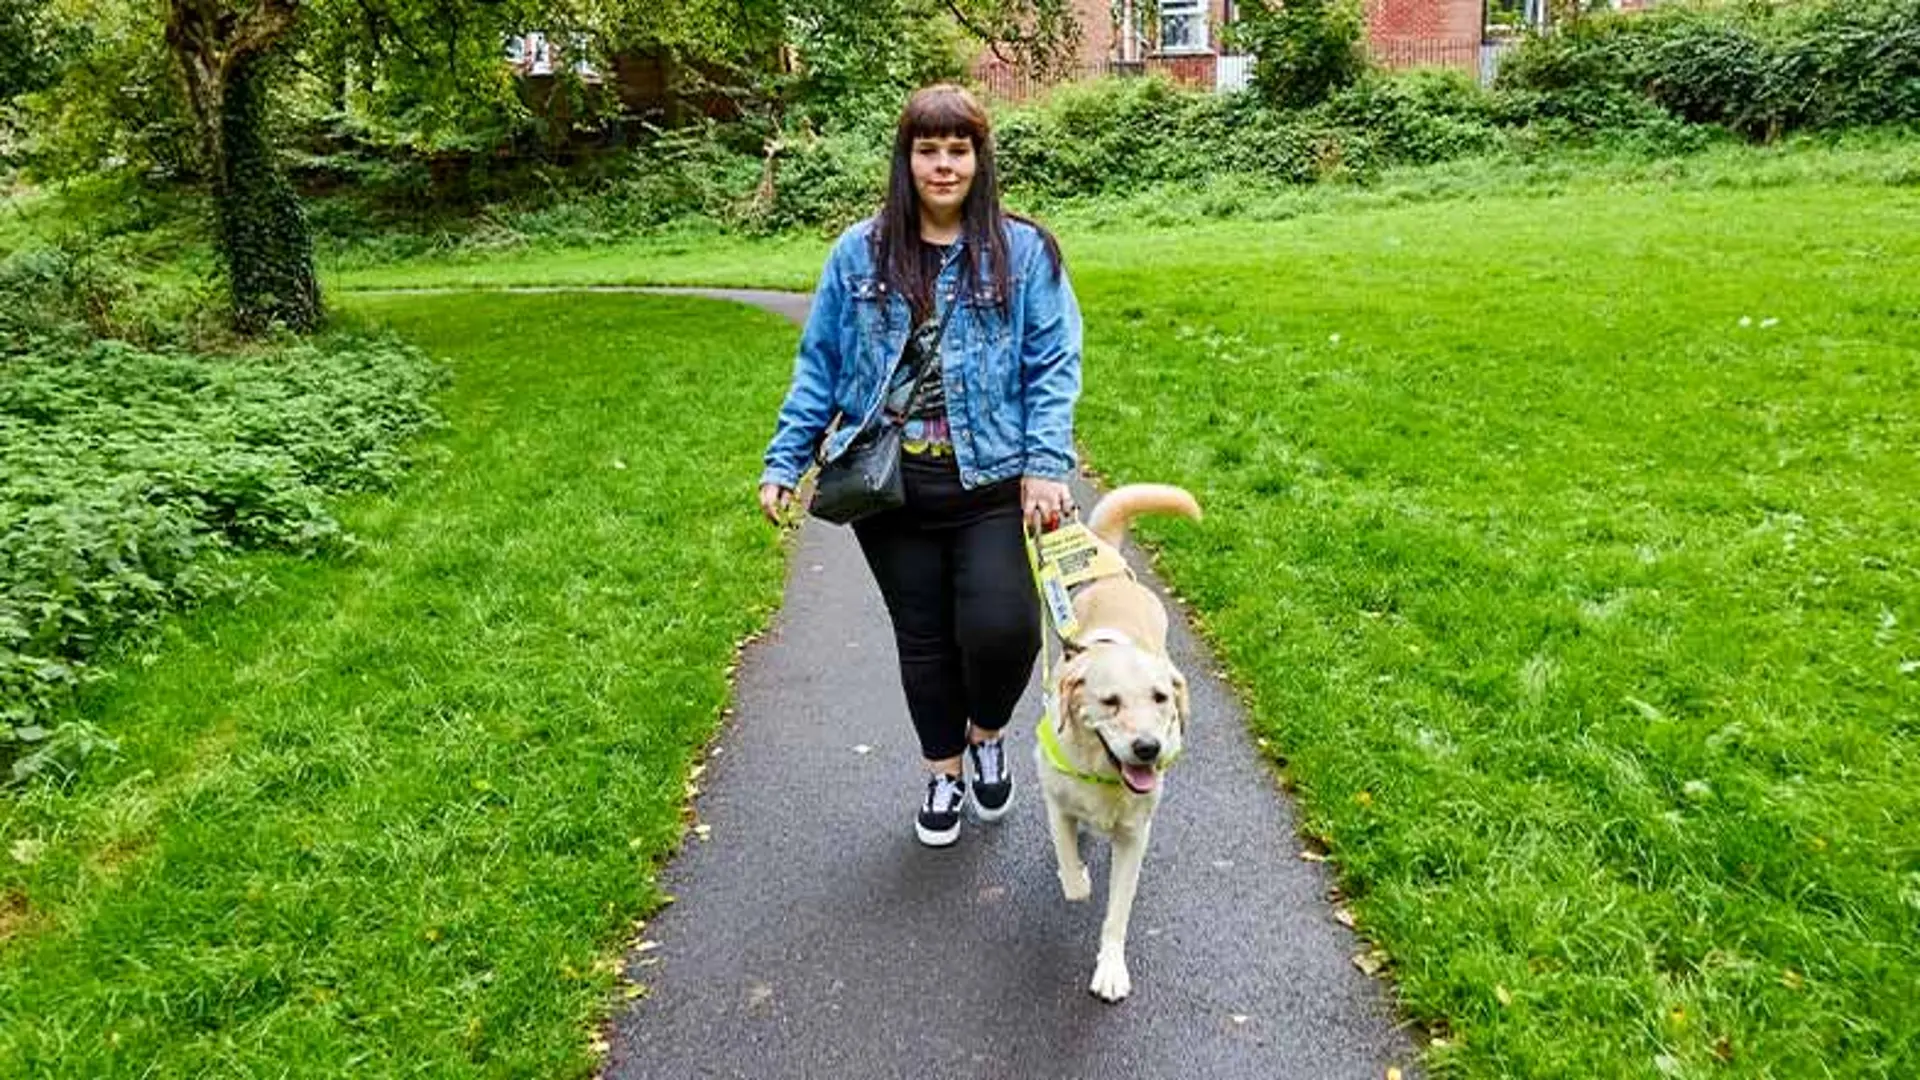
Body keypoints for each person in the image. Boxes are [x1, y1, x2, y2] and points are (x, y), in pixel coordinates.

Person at [757, 84, 1082, 848]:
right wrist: (786, 458)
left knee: (1004, 629)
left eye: (958, 149)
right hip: (891, 489)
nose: (943, 165)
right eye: (928, 150)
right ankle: (942, 773)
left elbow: (1053, 361)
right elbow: (820, 367)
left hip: (992, 480)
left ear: (979, 158)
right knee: (925, 637)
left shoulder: (1024, 252)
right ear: (906, 160)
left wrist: (1045, 464)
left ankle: (986, 732)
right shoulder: (859, 253)